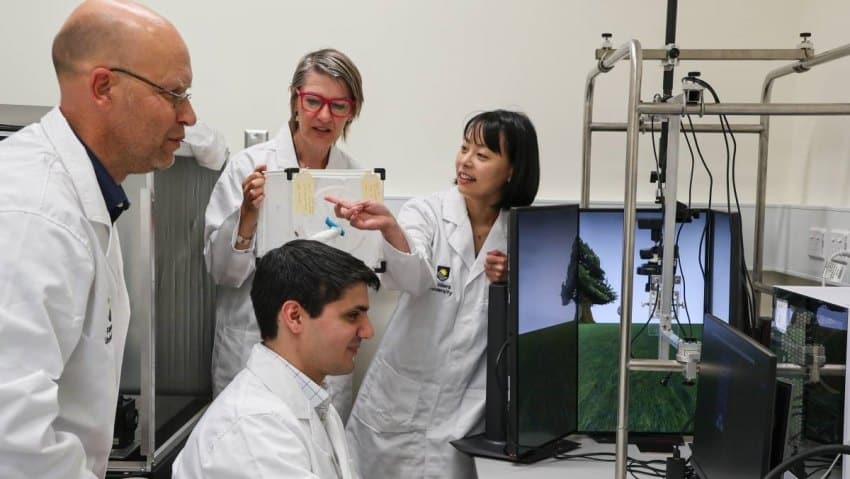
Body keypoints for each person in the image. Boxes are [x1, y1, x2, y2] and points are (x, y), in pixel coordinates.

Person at [0, 1, 196, 478]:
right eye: (173, 93)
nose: (189, 115)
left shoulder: (85, 199)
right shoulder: (34, 215)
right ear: (104, 87)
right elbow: (12, 440)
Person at [327, 109, 540, 478]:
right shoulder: (427, 211)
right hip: (397, 403)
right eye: (464, 148)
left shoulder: (525, 234)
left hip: (467, 412)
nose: (465, 161)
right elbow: (412, 276)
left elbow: (535, 324)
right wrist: (392, 230)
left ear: (512, 170)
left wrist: (513, 280)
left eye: (482, 155)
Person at [204, 49, 365, 415]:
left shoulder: (355, 179)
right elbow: (223, 273)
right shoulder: (248, 167)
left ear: (351, 111)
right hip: (254, 346)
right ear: (295, 99)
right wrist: (247, 215)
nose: (324, 116)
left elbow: (361, 275)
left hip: (324, 354)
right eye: (313, 101)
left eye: (338, 105)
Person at [172, 239, 380, 479]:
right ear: (294, 316)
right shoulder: (253, 429)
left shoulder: (312, 403)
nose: (368, 332)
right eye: (353, 316)